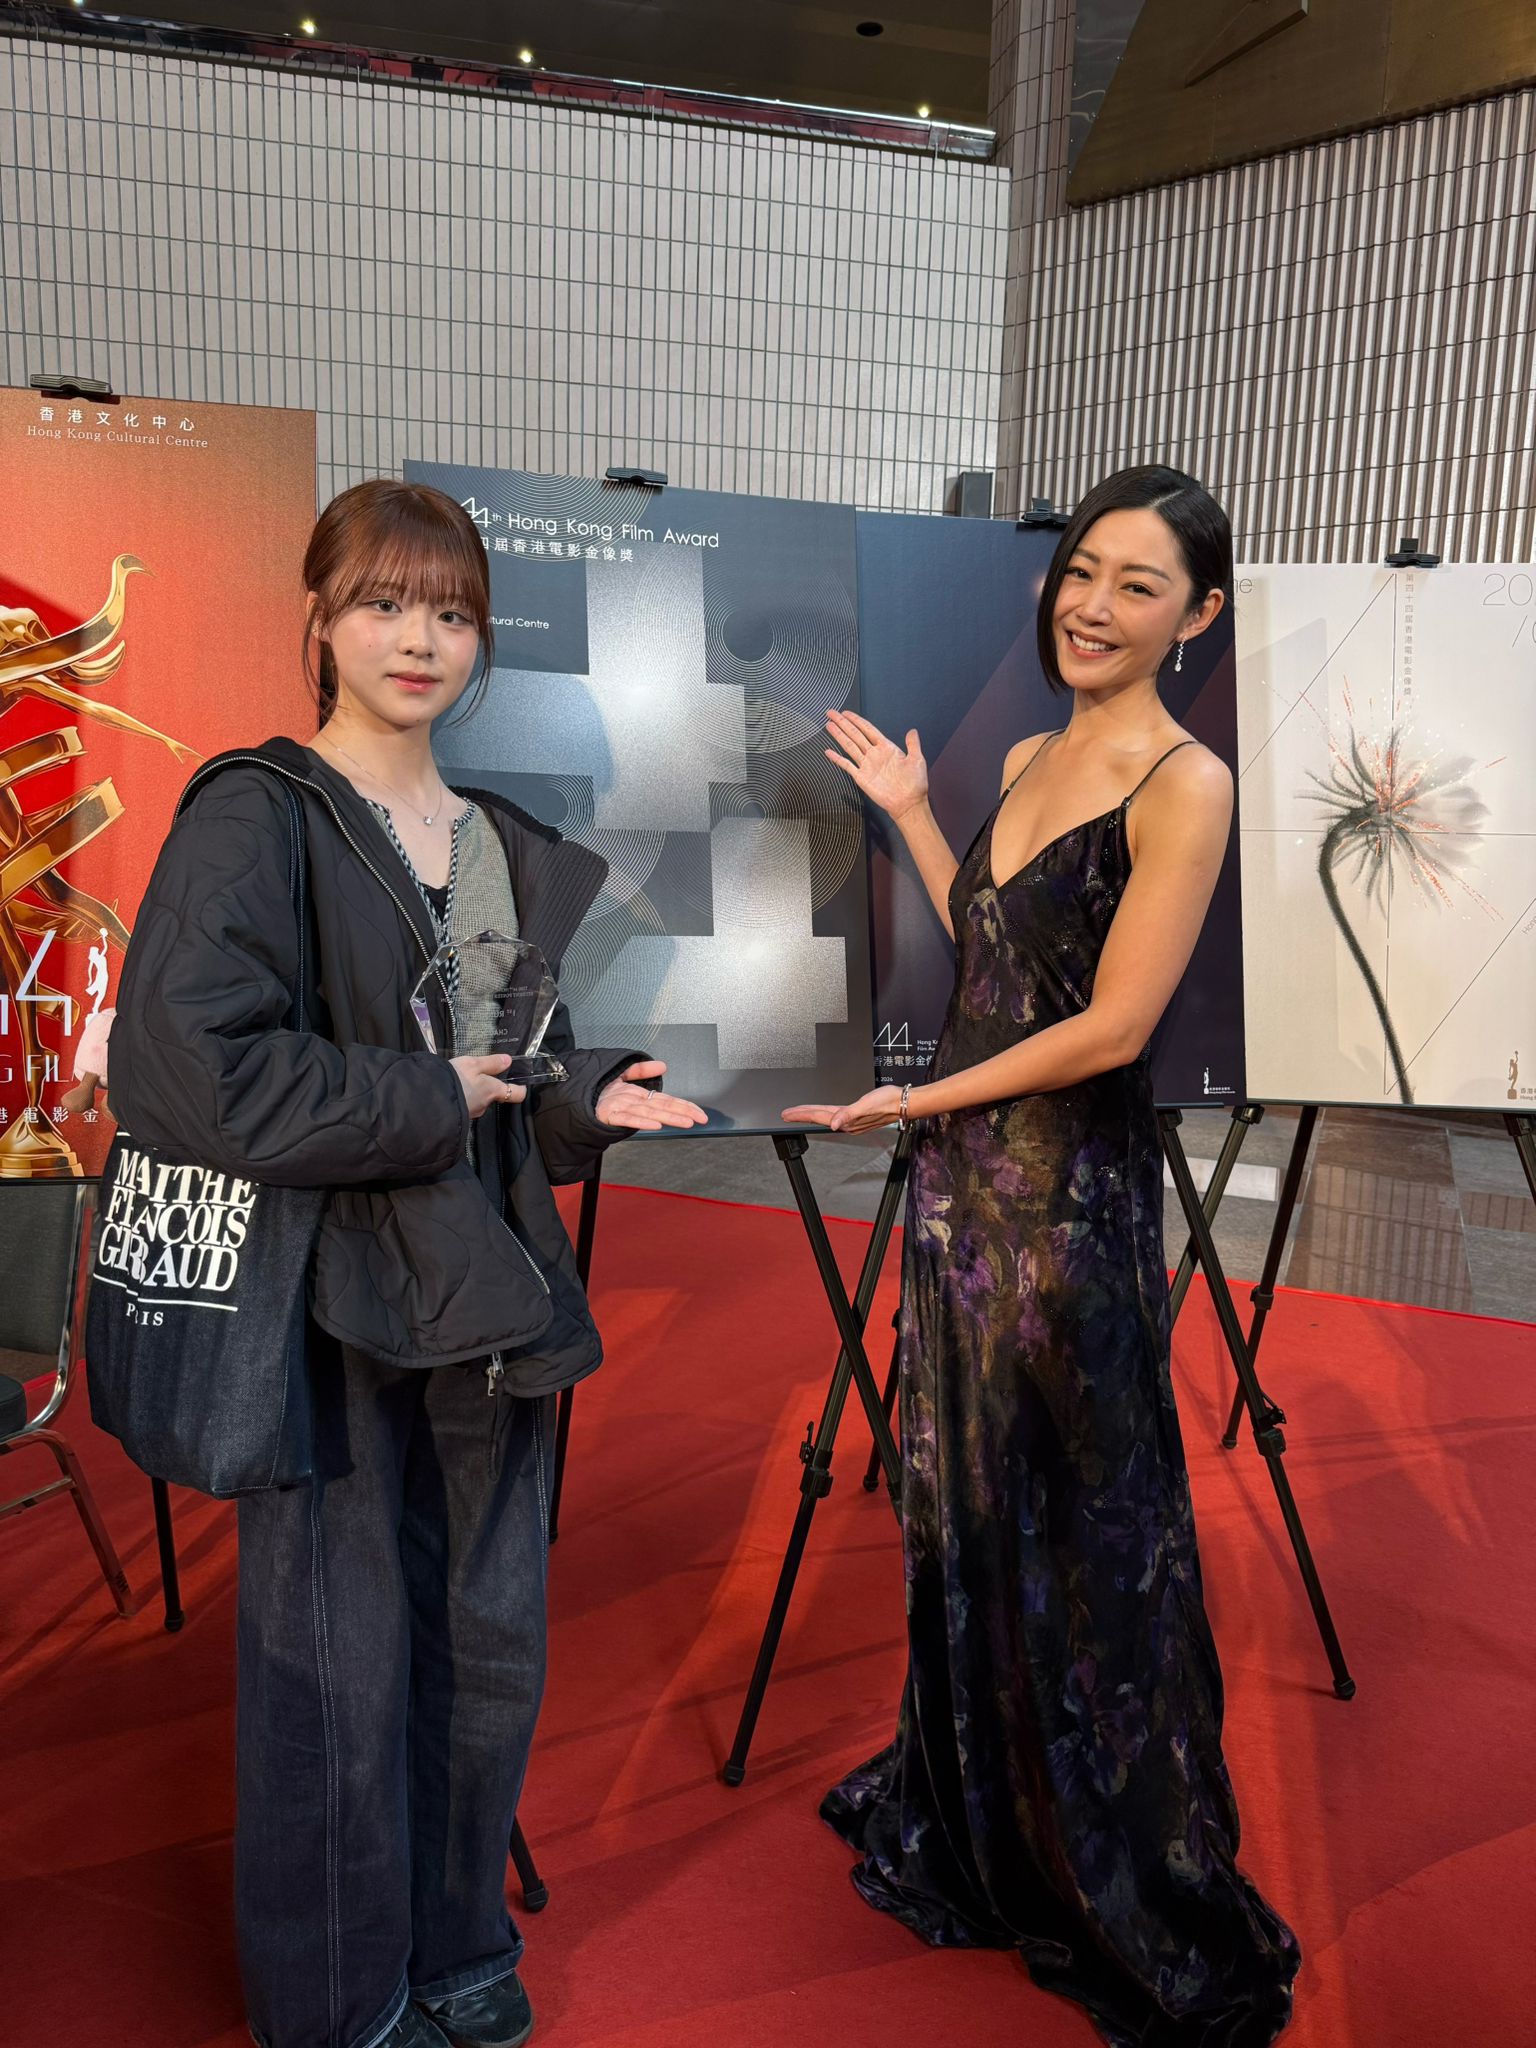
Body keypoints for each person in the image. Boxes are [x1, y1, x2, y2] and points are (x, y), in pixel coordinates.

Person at [108, 479, 706, 2048]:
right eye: (382, 604)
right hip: (330, 1304)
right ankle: (339, 2004)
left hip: (490, 1302)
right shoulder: (261, 813)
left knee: (489, 1644)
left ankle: (455, 1945)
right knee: (332, 1672)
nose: (417, 639)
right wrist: (425, 1096)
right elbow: (186, 1069)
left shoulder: (499, 838)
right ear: (317, 619)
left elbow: (514, 1057)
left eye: (449, 612)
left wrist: (588, 1096)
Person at [785, 465, 1300, 2045]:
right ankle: (994, 1826)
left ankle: (1118, 1868)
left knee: (1088, 1528)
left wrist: (917, 1099)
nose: (1093, 604)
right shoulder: (1024, 754)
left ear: (1199, 614)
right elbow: (1004, 963)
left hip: (1068, 1211)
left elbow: (1114, 1027)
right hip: (963, 1200)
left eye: (1139, 585)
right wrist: (913, 816)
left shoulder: (1187, 783)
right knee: (970, 1512)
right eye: (1083, 571)